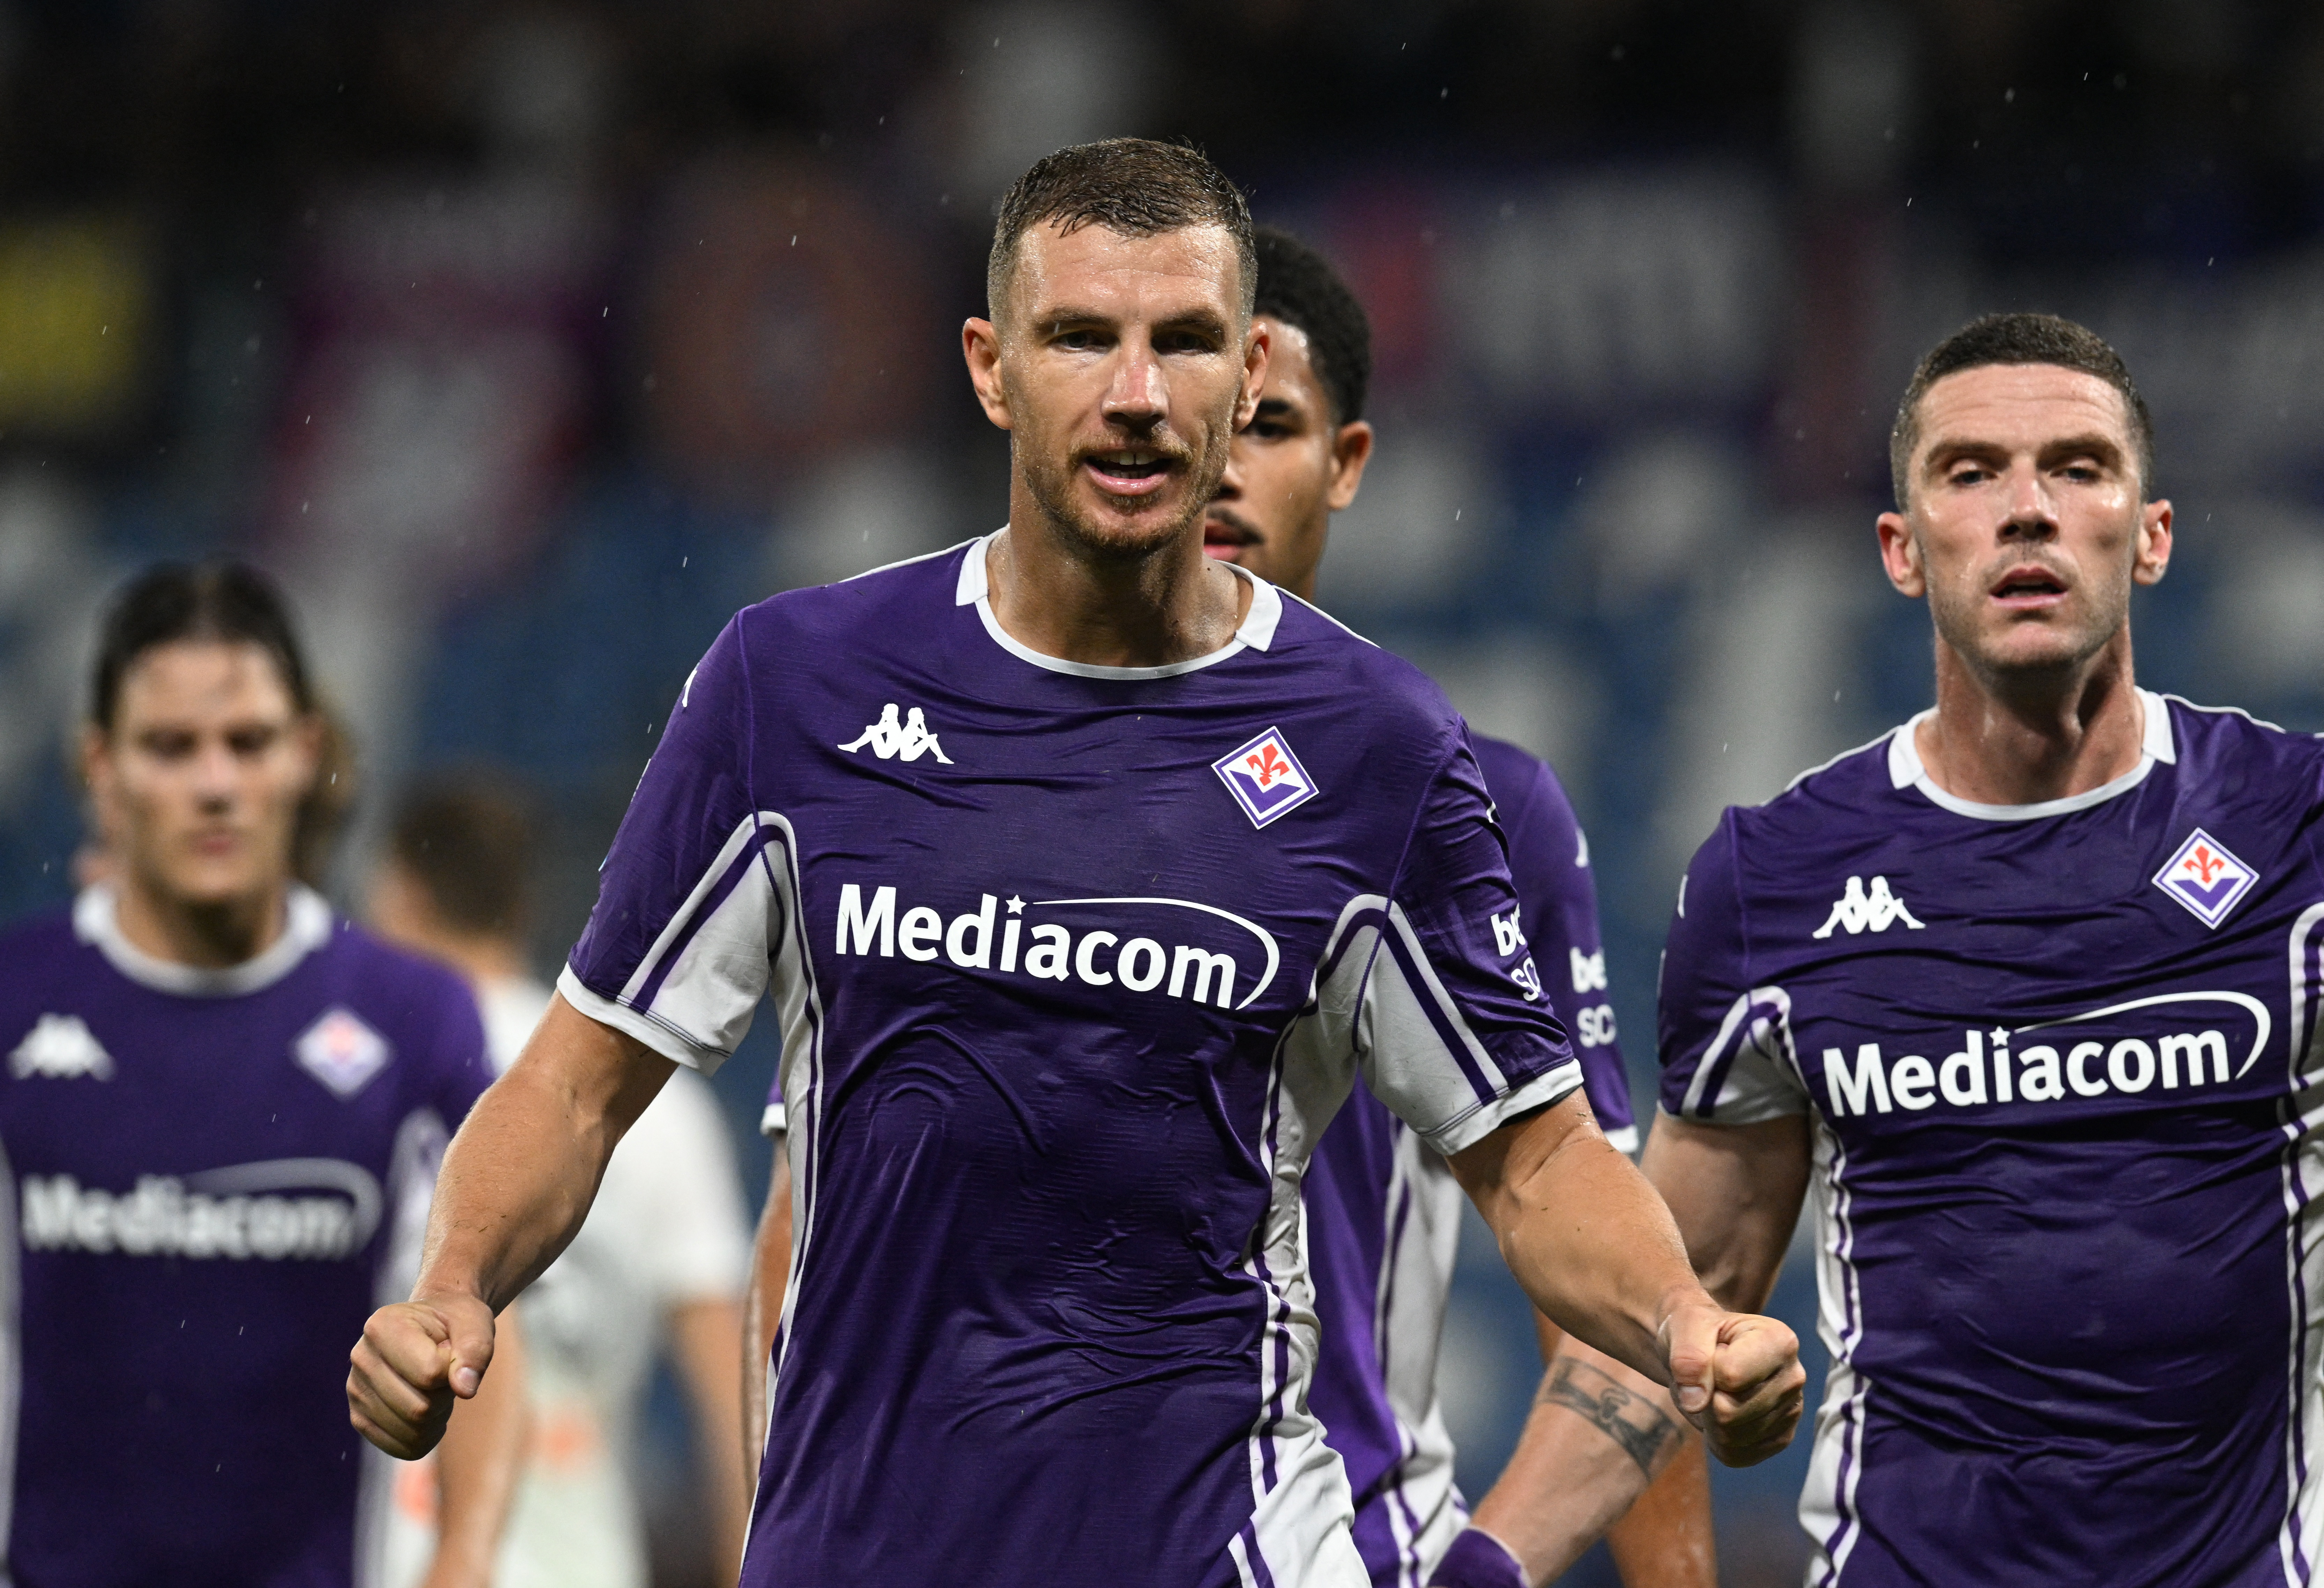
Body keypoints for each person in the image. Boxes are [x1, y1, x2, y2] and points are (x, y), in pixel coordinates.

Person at [347, 138, 1804, 1588]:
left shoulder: (1376, 749)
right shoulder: (792, 688)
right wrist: (454, 1286)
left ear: (1244, 382)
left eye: (1184, 345)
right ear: (991, 367)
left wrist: (1682, 1319)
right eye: (1080, 339)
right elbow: (578, 1078)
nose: (1135, 394)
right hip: (862, 1554)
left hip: (1219, 1552)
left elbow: (1539, 1157)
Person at [1532, 310, 2324, 1583]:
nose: (2028, 512)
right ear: (1902, 551)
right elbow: (1669, 1328)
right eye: (1971, 473)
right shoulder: (1771, 885)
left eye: (2077, 467)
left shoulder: (2299, 828)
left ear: (2153, 535)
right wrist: (1488, 1563)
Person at [1199, 224, 1712, 1588]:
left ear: (1347, 463)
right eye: (1199, 420)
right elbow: (811, 1238)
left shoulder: (1469, 805)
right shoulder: (955, 782)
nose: (1224, 467)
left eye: (1274, 426)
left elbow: (1604, 1281)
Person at [0, 561, 525, 1587]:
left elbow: (482, 1326)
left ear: (307, 753)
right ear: (98, 767)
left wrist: (462, 1556)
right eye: (170, 746)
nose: (215, 781)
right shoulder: (14, 995)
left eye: (246, 741)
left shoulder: (414, 1017)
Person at [367, 774, 753, 1588]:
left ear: (398, 892)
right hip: (588, 1563)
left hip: (393, 1552)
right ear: (523, 904)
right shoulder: (661, 1104)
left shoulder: (365, 1064)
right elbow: (736, 1395)